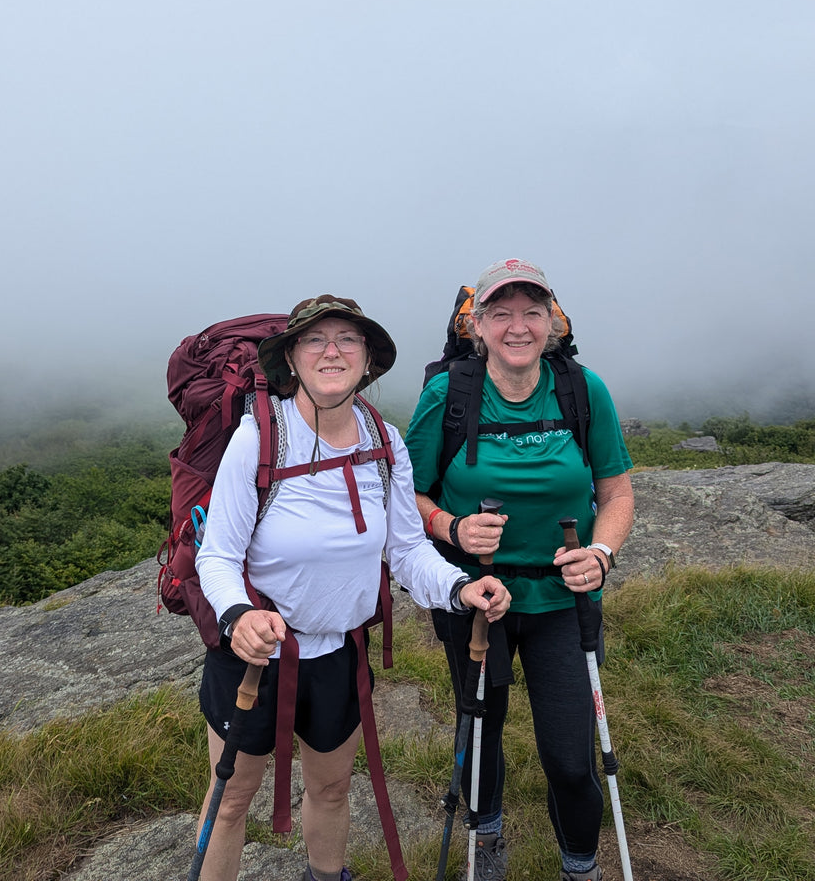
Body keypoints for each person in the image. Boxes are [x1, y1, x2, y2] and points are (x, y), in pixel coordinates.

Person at [194, 294, 512, 881]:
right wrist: (238, 617)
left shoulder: (384, 443)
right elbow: (217, 555)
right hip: (254, 656)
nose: (332, 351)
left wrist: (461, 586)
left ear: (368, 359)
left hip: (341, 651)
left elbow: (408, 548)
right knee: (232, 801)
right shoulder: (258, 438)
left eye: (348, 339)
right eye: (316, 339)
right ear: (292, 357)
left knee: (334, 788)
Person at [405, 259, 635, 881]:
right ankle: (489, 840)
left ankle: (579, 865)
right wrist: (450, 528)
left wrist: (602, 555)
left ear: (552, 322)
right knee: (482, 734)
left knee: (569, 757)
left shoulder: (583, 391)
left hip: (564, 598)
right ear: (476, 325)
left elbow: (616, 494)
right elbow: (410, 498)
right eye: (500, 313)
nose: (517, 326)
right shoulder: (447, 395)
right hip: (477, 595)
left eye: (531, 311)